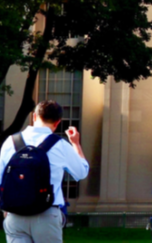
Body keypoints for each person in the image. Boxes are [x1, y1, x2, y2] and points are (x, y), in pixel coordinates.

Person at [0, 101, 89, 243]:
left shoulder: (10, 142)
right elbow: (82, 172)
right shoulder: (60, 145)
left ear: (34, 116)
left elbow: (1, 179)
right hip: (47, 214)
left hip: (14, 214)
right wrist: (76, 144)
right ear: (58, 122)